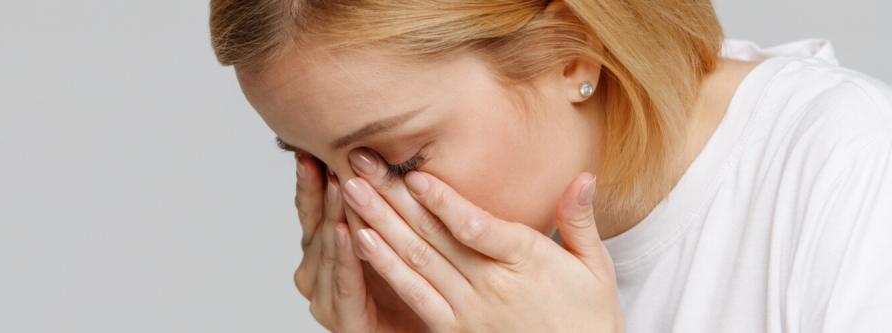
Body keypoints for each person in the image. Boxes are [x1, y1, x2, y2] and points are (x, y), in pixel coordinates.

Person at [209, 0, 892, 331]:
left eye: (398, 160)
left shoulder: (851, 168)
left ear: (575, 51)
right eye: (318, 168)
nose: (363, 222)